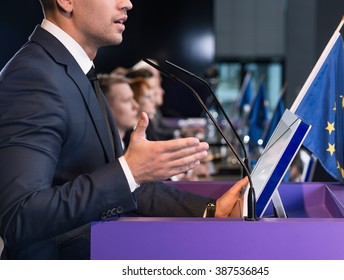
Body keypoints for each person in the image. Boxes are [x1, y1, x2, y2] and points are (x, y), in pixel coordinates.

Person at [0, 0, 248, 260]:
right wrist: (128, 171)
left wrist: (212, 209)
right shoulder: (33, 76)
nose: (127, 3)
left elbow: (126, 184)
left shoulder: (75, 71)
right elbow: (19, 217)